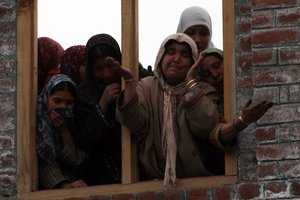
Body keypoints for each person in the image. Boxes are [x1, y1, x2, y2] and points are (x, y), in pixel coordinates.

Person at [115, 33, 222, 188]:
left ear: (193, 62)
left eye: (185, 55)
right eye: (171, 52)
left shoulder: (203, 90)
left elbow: (206, 127)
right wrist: (130, 83)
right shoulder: (146, 87)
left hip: (198, 184)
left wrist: (191, 87)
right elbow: (136, 124)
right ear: (161, 57)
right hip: (155, 185)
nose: (176, 59)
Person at [198, 48, 274, 174]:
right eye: (207, 75)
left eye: (217, 66)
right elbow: (216, 135)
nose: (215, 74)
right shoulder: (211, 103)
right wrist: (243, 120)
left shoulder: (248, 86)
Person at [75, 33, 123, 185]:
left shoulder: (137, 82)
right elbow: (83, 141)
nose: (107, 73)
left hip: (138, 175)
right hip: (100, 179)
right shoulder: (83, 95)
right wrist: (102, 105)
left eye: (110, 66)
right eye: (99, 68)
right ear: (90, 69)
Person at [36, 74, 87, 189]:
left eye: (69, 103)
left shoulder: (78, 121)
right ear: (46, 98)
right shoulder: (38, 122)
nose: (63, 107)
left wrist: (64, 131)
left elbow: (76, 161)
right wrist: (64, 185)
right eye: (57, 101)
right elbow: (43, 160)